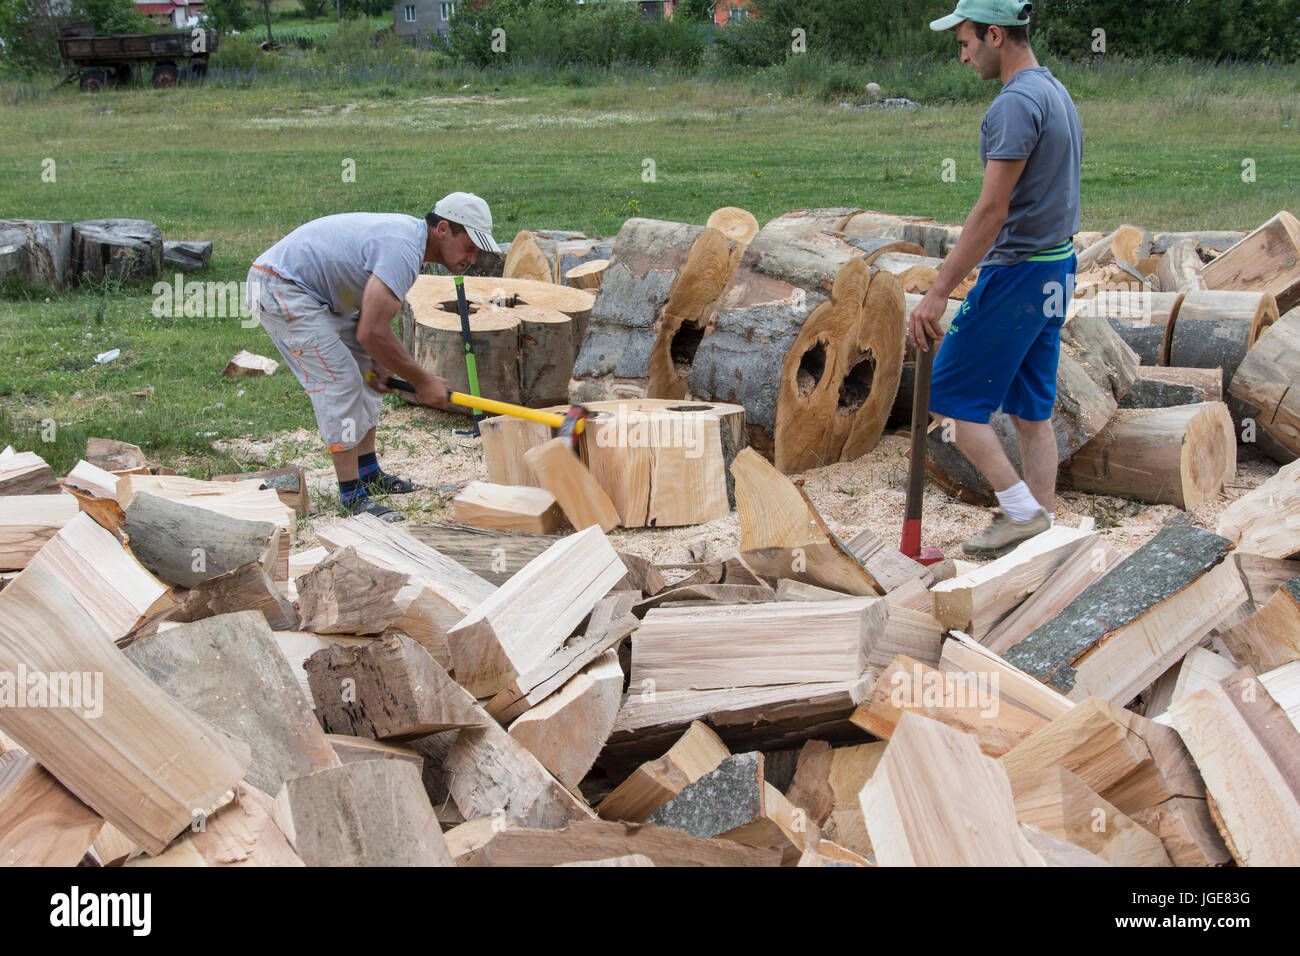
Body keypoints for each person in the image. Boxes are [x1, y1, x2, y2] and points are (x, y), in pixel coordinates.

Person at [909, 0, 1082, 557]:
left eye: (965, 43)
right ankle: (1042, 529)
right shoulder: (1053, 90)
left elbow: (990, 213)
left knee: (948, 397)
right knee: (1032, 409)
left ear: (994, 35)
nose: (962, 56)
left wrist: (937, 292)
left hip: (1018, 276)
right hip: (1056, 267)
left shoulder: (1014, 105)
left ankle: (1021, 512)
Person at [247, 192, 501, 523]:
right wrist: (421, 380)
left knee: (368, 374)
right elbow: (371, 332)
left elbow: (376, 311)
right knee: (340, 381)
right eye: (469, 247)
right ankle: (351, 496)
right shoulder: (404, 248)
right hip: (280, 285)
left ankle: (369, 473)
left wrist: (379, 360)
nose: (472, 258)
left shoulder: (411, 244)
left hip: (321, 294)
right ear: (442, 229)